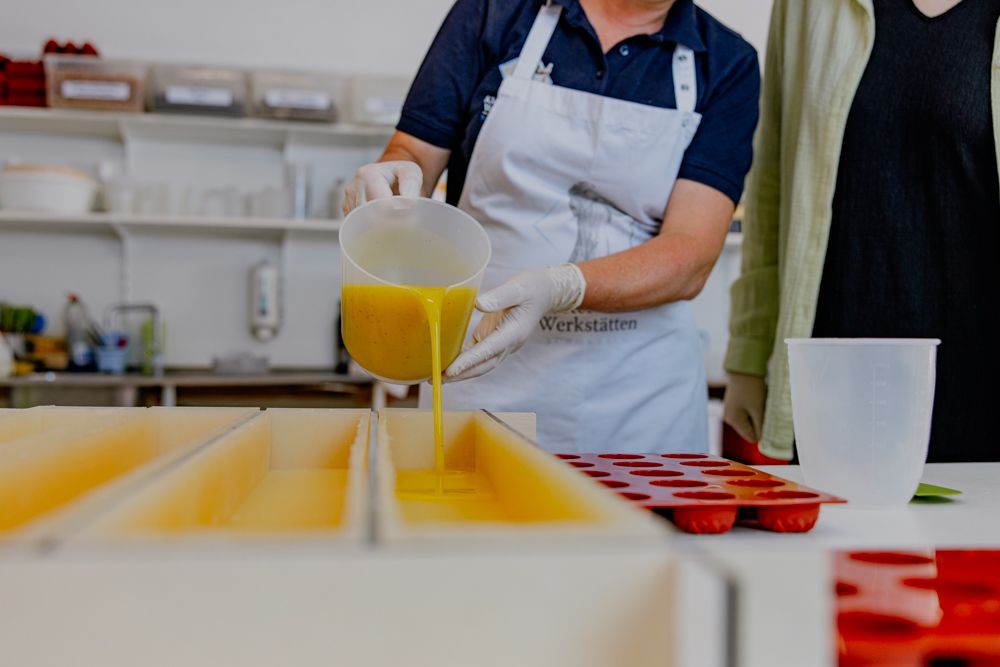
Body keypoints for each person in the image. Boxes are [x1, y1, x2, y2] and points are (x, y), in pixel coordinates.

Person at [344, 0, 760, 453]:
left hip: (638, 404)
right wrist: (390, 180)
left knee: (636, 525)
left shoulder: (724, 61)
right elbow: (414, 155)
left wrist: (562, 286)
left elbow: (691, 255)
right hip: (482, 374)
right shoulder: (496, 13)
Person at [723, 0, 1000, 463]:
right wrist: (747, 359)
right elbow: (772, 180)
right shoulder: (808, 7)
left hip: (979, 377)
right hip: (835, 376)